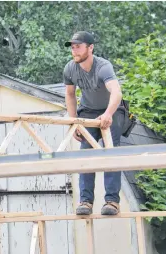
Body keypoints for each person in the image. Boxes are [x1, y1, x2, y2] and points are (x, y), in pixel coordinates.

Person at [63, 31, 125, 215]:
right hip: (88, 112)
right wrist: (73, 121)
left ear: (90, 48)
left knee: (111, 152)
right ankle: (86, 202)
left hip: (112, 110)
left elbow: (117, 92)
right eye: (73, 47)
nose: (75, 51)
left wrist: (108, 113)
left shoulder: (103, 67)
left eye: (78, 47)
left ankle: (112, 202)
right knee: (86, 155)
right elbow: (70, 94)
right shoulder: (70, 68)